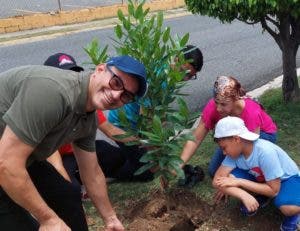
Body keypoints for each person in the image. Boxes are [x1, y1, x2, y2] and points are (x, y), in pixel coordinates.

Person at [0, 55, 147, 231]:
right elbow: (6, 164)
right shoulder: (54, 93)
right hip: (7, 158)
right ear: (100, 69)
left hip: (15, 154)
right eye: (116, 83)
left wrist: (110, 218)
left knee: (66, 196)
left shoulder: (87, 116)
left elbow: (91, 172)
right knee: (22, 224)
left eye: (126, 96)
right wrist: (48, 219)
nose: (116, 95)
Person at [97, 45, 204, 182]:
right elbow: (146, 125)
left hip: (137, 125)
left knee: (147, 161)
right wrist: (156, 154)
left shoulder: (170, 75)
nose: (184, 78)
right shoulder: (158, 79)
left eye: (190, 76)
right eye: (185, 72)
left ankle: (121, 157)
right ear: (176, 59)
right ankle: (107, 170)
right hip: (124, 126)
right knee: (148, 172)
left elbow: (158, 113)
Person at [44, 53, 135, 189]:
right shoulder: (47, 107)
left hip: (79, 151)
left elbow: (110, 130)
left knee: (120, 159)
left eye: (73, 74)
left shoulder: (85, 101)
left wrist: (144, 144)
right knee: (66, 186)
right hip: (56, 157)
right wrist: (70, 191)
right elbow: (53, 159)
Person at [212, 116, 300, 231]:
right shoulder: (234, 153)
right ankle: (261, 195)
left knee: (288, 208)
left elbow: (274, 190)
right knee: (227, 179)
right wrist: (243, 195)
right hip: (262, 178)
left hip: (286, 180)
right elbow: (217, 180)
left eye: (224, 147)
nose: (224, 152)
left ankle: (294, 215)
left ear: (236, 139)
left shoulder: (265, 152)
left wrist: (239, 182)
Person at [179, 75, 277, 177]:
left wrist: (228, 172)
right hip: (234, 136)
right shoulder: (214, 106)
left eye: (223, 104)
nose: (218, 109)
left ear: (236, 99)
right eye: (216, 102)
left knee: (236, 171)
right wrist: (179, 165)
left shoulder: (251, 111)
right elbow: (196, 138)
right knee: (214, 171)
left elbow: (251, 147)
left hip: (262, 136)